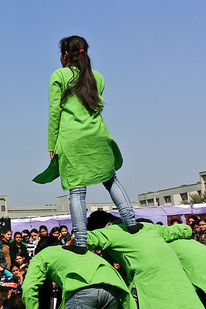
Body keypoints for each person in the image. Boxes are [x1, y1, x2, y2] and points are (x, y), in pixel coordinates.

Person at [33, 35, 140, 254]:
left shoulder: (59, 76)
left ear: (64, 55)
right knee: (111, 179)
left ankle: (80, 240)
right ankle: (131, 221)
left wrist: (51, 144)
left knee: (77, 191)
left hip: (73, 139)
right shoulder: (98, 77)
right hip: (98, 135)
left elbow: (55, 112)